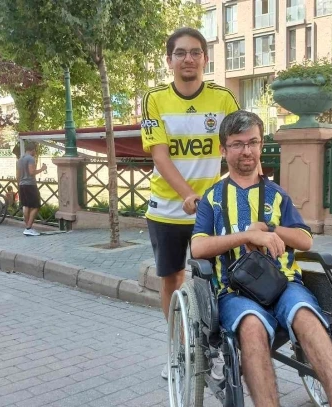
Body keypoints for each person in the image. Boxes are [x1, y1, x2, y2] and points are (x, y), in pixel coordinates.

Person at [191, 111, 332, 407]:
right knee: (251, 326)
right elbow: (198, 248)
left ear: (261, 145)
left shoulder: (277, 195)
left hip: (284, 283)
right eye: (238, 144)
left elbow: (305, 239)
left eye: (253, 142)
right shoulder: (212, 199)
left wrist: (269, 229)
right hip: (234, 290)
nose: (247, 150)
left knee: (307, 318)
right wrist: (246, 236)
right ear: (223, 149)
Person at [140, 27, 239, 380]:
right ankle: (178, 350)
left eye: (195, 52)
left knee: (218, 280)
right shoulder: (154, 99)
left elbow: (239, 146)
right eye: (180, 53)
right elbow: (160, 156)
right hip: (167, 209)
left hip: (211, 210)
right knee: (172, 279)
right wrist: (186, 194)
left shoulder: (224, 99)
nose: (188, 59)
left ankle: (213, 347)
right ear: (169, 60)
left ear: (205, 59)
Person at [17, 143, 47, 236]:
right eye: (35, 150)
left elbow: (17, 175)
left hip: (22, 185)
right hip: (30, 185)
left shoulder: (20, 160)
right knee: (36, 206)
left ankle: (28, 228)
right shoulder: (30, 159)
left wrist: (19, 184)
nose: (35, 152)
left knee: (26, 206)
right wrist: (42, 169)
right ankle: (28, 228)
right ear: (33, 149)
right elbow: (32, 172)